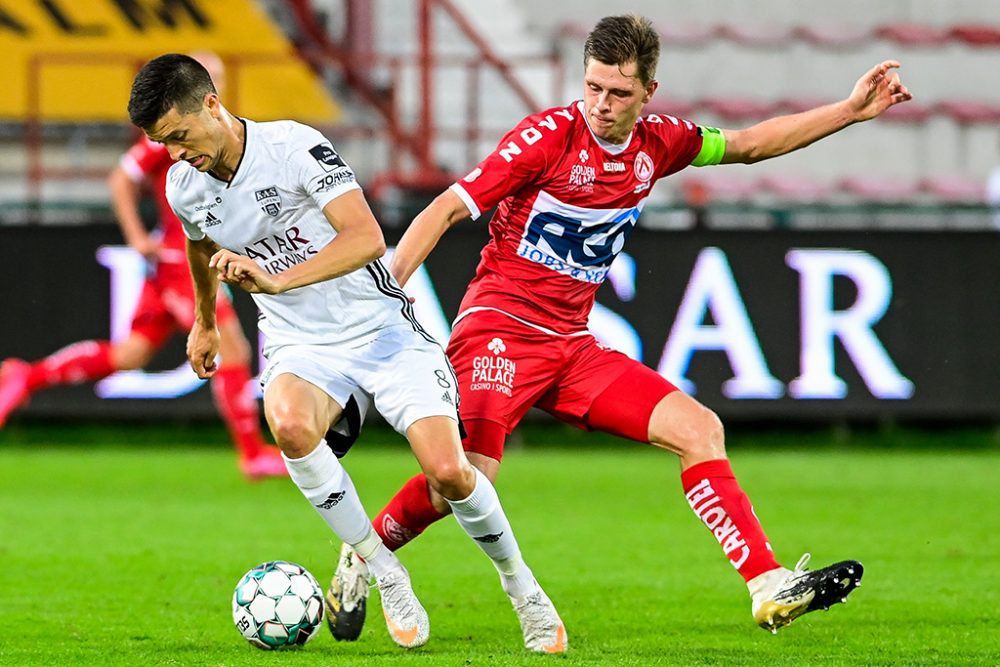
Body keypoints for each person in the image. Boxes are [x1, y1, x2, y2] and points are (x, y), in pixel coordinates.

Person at [328, 14, 912, 640]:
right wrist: (386, 291)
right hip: (500, 326)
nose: (602, 106)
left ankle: (766, 585)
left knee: (699, 429)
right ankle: (363, 555)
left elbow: (748, 145)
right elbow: (445, 207)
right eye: (593, 88)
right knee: (464, 484)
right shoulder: (545, 138)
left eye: (619, 93)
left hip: (573, 345)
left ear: (648, 92)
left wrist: (849, 111)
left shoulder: (660, 143)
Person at [125, 53, 566, 652]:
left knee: (449, 472)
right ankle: (386, 572)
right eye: (161, 144)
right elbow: (199, 245)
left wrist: (278, 279)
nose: (175, 154)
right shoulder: (185, 186)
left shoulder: (293, 148)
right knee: (288, 427)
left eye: (178, 136)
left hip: (382, 328)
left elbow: (367, 238)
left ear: (211, 104)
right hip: (300, 343)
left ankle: (524, 591)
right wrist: (205, 321)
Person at [0, 52, 286, 481]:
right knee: (233, 348)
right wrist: (136, 236)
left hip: (178, 258)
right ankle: (252, 454)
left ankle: (28, 375)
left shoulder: (212, 129)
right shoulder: (172, 133)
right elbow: (121, 180)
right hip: (180, 259)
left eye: (219, 77)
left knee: (130, 354)